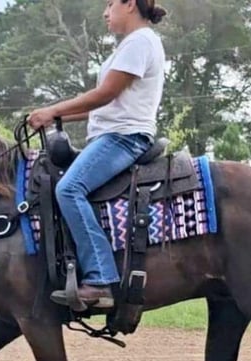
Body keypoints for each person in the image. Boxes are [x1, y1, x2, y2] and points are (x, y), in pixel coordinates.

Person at [27, 0, 167, 310]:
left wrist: (54, 109)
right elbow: (103, 104)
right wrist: (53, 117)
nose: (105, 12)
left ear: (130, 4)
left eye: (110, 3)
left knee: (69, 188)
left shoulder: (140, 42)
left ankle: (101, 279)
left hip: (124, 138)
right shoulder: (130, 45)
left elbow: (105, 94)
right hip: (112, 135)